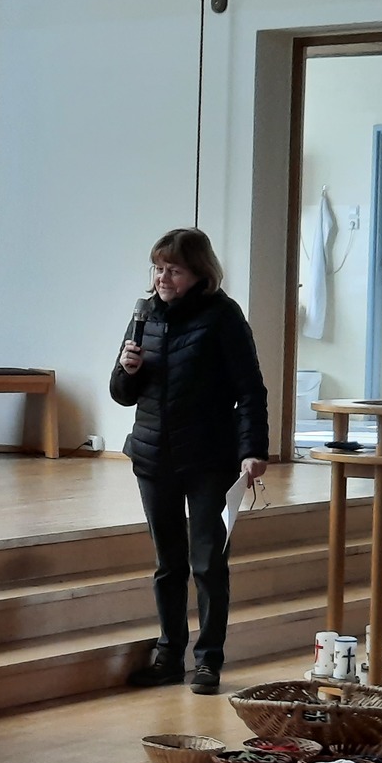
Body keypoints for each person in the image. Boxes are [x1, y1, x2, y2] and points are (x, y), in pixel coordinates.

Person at [112, 228, 268, 695]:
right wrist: (127, 370)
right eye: (158, 268)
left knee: (207, 563)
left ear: (200, 273)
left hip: (209, 459)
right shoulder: (144, 315)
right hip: (153, 457)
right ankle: (168, 656)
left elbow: (250, 389)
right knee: (168, 565)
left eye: (174, 270)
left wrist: (252, 450)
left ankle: (208, 661)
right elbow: (122, 394)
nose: (162, 278)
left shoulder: (223, 316)